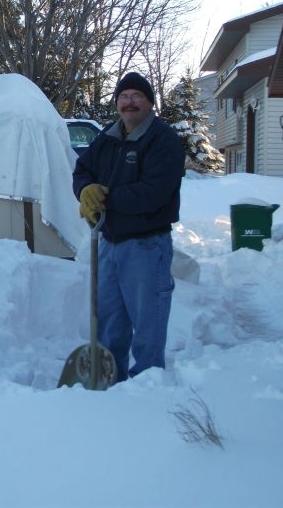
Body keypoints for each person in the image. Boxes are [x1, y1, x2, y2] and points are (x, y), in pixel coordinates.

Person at [72, 72, 184, 382]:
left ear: (150, 102)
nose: (129, 102)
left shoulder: (163, 140)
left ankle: (147, 388)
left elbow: (154, 192)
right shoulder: (107, 138)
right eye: (123, 97)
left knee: (147, 323)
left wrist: (105, 198)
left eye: (136, 96)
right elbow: (82, 170)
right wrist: (84, 190)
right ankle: (110, 380)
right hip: (109, 242)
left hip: (147, 246)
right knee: (110, 322)